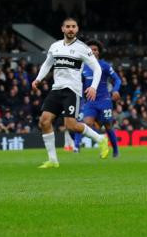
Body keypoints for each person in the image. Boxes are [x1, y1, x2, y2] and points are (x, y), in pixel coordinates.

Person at [31, 18, 112, 168]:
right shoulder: (55, 46)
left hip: (72, 91)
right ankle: (53, 160)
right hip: (56, 89)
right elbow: (47, 64)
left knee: (71, 125)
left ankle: (101, 139)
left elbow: (97, 68)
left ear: (77, 29)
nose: (70, 29)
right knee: (44, 121)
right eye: (67, 26)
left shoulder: (82, 48)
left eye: (73, 27)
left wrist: (93, 87)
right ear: (62, 29)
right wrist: (38, 79)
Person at [71, 40, 122, 157]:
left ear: (99, 52)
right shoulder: (82, 67)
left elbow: (117, 79)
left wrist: (115, 90)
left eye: (95, 50)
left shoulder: (104, 65)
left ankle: (115, 150)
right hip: (90, 102)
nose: (93, 51)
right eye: (91, 50)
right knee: (85, 123)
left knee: (108, 126)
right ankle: (76, 146)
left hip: (104, 101)